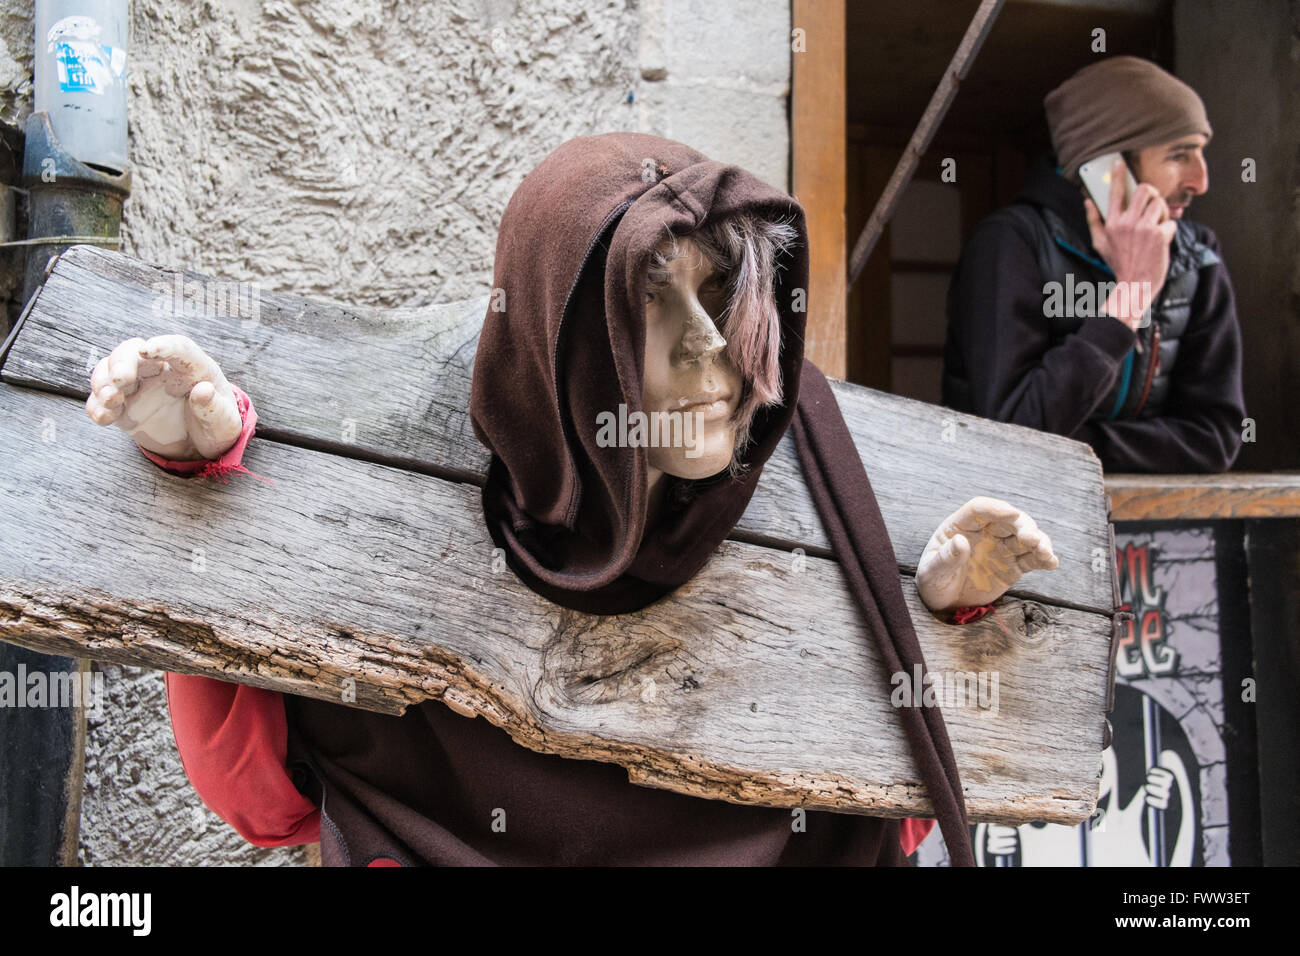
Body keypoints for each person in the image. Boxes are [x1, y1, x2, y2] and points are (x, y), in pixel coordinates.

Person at [86, 133, 1059, 866]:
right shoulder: (416, 578)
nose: (705, 350)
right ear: (562, 354)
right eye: (649, 304)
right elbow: (261, 799)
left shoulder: (821, 488)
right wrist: (208, 482)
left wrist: (931, 616)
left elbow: (885, 813)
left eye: (716, 295)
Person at [941, 56, 1246, 473]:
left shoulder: (1198, 256)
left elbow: (1217, 438)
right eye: (1179, 155)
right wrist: (1130, 298)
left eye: (1200, 154)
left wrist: (1073, 445)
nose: (1200, 181)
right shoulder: (1011, 245)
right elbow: (1012, 433)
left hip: (1155, 528)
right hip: (1010, 523)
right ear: (1108, 169)